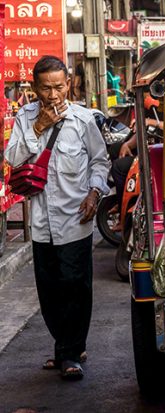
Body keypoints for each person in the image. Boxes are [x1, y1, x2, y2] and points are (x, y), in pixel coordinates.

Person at [5, 56, 109, 381]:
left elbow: (100, 161)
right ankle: (67, 346)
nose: (53, 95)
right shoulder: (25, 117)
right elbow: (12, 157)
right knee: (49, 290)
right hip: (40, 221)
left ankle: (70, 353)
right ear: (34, 87)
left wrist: (94, 193)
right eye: (46, 88)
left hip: (75, 218)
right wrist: (38, 129)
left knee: (76, 286)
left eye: (59, 87)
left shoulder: (83, 119)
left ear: (69, 84)